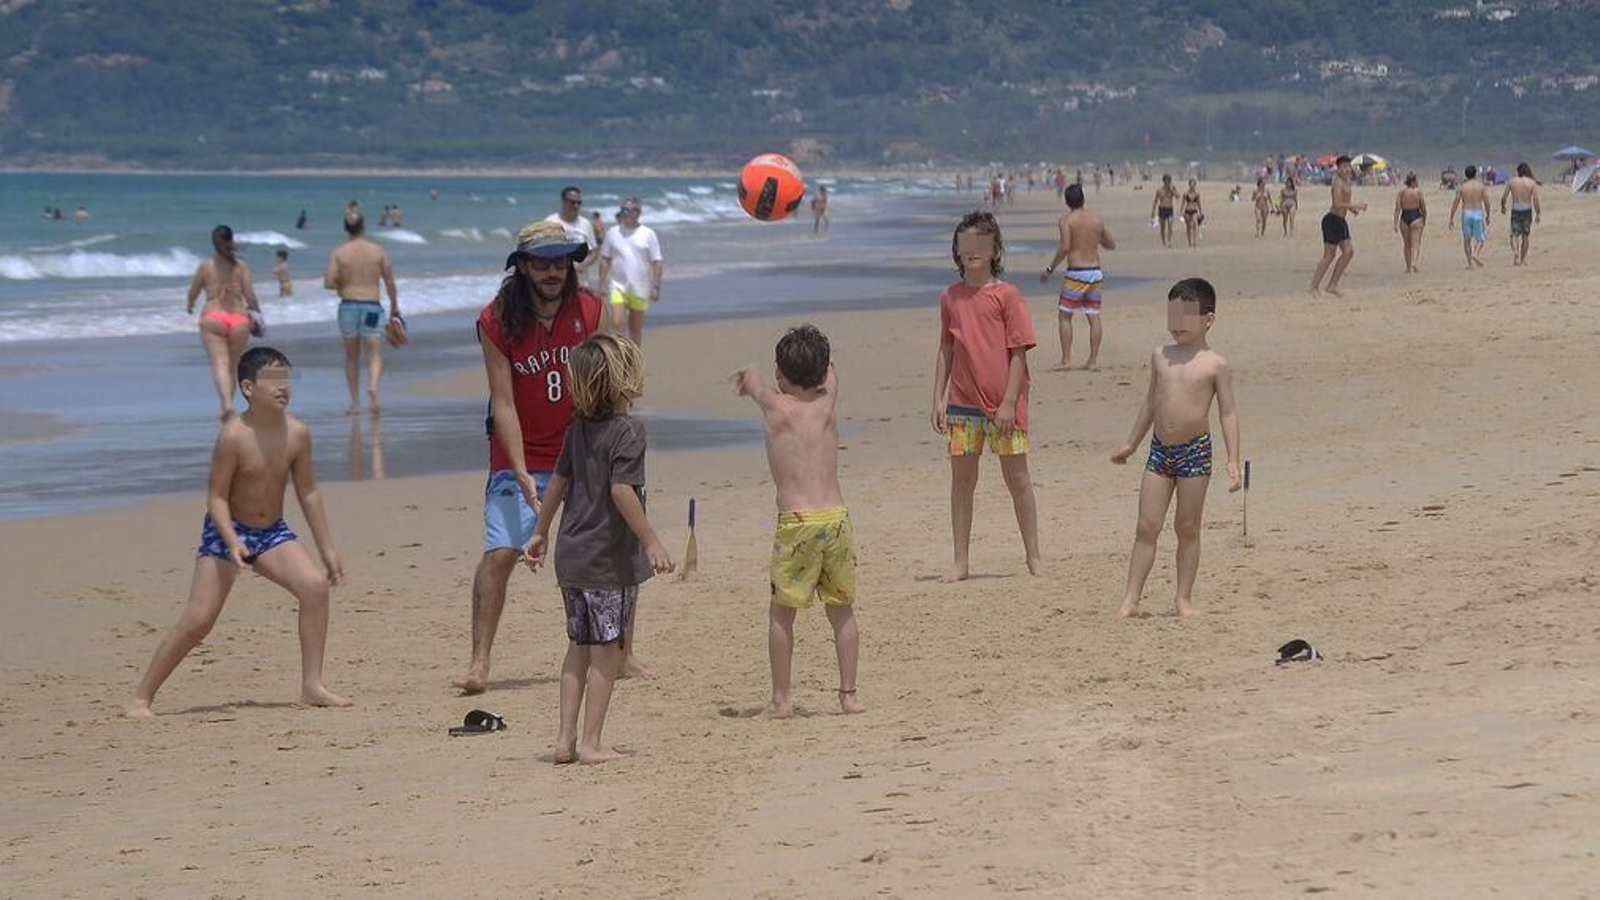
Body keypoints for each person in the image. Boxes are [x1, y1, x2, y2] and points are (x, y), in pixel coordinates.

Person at [125, 347, 350, 717]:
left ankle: (312, 685)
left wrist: (327, 549)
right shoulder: (233, 436)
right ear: (247, 387)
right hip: (226, 531)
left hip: (271, 533)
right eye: (273, 380)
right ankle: (141, 697)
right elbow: (216, 497)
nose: (283, 387)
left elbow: (308, 492)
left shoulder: (297, 433)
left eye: (286, 379)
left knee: (314, 587)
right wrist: (232, 542)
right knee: (199, 619)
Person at [453, 222, 604, 695]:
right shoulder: (496, 320)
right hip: (518, 452)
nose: (552, 272)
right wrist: (518, 469)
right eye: (541, 263)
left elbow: (604, 384)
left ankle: (621, 652)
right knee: (501, 553)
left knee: (605, 552)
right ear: (521, 266)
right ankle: (479, 661)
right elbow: (503, 401)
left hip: (580, 450)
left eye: (559, 262)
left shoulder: (591, 309)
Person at [525, 333, 674, 764]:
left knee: (578, 647)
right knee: (607, 653)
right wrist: (651, 540)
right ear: (625, 384)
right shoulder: (628, 432)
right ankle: (591, 742)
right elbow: (622, 491)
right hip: (607, 561)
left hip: (571, 557)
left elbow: (557, 483)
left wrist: (539, 531)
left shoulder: (576, 430)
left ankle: (564, 739)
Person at [732, 325, 862, 718]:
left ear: (780, 372)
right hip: (836, 518)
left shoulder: (776, 407)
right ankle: (849, 694)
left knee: (781, 612)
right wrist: (822, 366)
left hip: (797, 522)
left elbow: (754, 384)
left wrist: (749, 374)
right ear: (823, 372)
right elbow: (833, 373)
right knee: (841, 609)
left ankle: (781, 699)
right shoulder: (827, 402)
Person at [1111, 279, 1241, 619]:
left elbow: (1228, 412)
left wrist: (1232, 459)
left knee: (1187, 526)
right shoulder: (1161, 356)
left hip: (1195, 452)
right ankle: (1131, 599)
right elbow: (1150, 403)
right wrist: (1131, 443)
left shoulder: (1215, 364)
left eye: (1185, 315)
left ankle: (1183, 598)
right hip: (1159, 451)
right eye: (1172, 315)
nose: (1177, 323)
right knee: (1146, 526)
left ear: (1208, 320)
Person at [931, 212, 1042, 582]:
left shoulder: (1007, 295)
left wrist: (1009, 402)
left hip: (1004, 405)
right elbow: (946, 349)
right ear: (957, 251)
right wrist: (938, 398)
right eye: (965, 244)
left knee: (1017, 478)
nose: (973, 251)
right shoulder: (950, 297)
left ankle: (1033, 556)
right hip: (962, 403)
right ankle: (961, 562)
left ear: (995, 250)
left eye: (981, 243)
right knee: (962, 483)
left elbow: (1018, 352)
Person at [324, 214, 402, 415]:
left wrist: (342, 285)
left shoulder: (339, 252)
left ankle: (355, 403)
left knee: (351, 357)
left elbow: (328, 282)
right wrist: (394, 306)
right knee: (374, 354)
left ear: (345, 229)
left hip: (348, 306)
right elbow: (389, 281)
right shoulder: (378, 251)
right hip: (372, 307)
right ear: (363, 227)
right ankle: (373, 388)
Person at [186, 225, 261, 420]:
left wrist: (190, 304)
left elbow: (194, 290)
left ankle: (227, 405)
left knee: (220, 363)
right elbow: (250, 295)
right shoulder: (241, 266)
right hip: (239, 319)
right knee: (233, 365)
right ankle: (227, 406)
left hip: (213, 317)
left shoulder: (206, 266)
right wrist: (258, 315)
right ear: (231, 240)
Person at [1040, 183, 1116, 371]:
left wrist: (1050, 268)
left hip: (1076, 272)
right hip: (1095, 271)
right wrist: (1095, 238)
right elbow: (1111, 244)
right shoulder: (1096, 220)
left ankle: (1066, 360)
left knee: (1065, 315)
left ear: (1067, 202)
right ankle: (1093, 360)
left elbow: (1065, 247)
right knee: (1094, 316)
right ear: (1083, 198)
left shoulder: (1066, 221)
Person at [596, 198, 664, 346]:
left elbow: (657, 262)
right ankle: (620, 353)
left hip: (640, 287)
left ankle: (634, 357)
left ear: (638, 212)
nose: (625, 213)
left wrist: (656, 286)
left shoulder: (648, 234)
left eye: (629, 210)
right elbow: (605, 259)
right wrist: (601, 284)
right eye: (623, 210)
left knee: (635, 330)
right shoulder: (613, 233)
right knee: (616, 322)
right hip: (617, 285)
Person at [1309, 155, 1367, 296]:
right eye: (1344, 167)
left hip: (1341, 221)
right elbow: (1336, 203)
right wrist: (1355, 205)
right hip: (1332, 220)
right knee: (1329, 255)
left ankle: (1332, 285)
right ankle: (1313, 287)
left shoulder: (1347, 182)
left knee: (1348, 252)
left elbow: (1344, 202)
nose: (1347, 169)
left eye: (1348, 167)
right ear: (1338, 169)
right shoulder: (1338, 183)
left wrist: (1352, 210)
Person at [545, 185, 598, 283]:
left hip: (581, 280)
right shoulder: (550, 222)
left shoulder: (585, 224)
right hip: (556, 279)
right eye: (572, 202)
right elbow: (543, 251)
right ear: (563, 201)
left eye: (579, 203)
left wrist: (584, 264)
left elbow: (594, 252)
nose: (576, 206)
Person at [1447, 164, 1491, 269]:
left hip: (1466, 213)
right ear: (1475, 174)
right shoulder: (1481, 186)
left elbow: (1456, 203)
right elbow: (1486, 202)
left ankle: (1470, 264)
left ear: (1466, 175)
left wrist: (1451, 217)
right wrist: (1488, 215)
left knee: (1467, 240)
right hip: (1478, 212)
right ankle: (1475, 254)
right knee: (1480, 239)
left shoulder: (1462, 187)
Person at [1500, 162, 1541, 266]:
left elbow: (1504, 197)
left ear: (1518, 171)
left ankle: (1515, 251)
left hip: (1516, 210)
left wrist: (1503, 207)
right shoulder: (1531, 183)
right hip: (1527, 210)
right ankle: (1523, 259)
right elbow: (1535, 200)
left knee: (1514, 234)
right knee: (1525, 236)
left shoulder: (1512, 182)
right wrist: (1538, 213)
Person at [1393, 173, 1428, 274]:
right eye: (1416, 181)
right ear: (1413, 182)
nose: (1417, 183)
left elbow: (1397, 209)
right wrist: (1424, 219)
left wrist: (1395, 223)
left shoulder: (1401, 193)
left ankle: (1408, 267)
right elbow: (1423, 208)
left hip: (1404, 217)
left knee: (1407, 244)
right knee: (1416, 243)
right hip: (1416, 216)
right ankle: (1414, 262)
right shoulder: (1418, 192)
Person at [1151, 175, 1178, 248]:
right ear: (1164, 181)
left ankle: (1169, 241)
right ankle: (1163, 242)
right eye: (1166, 180)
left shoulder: (1172, 189)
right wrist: (1153, 210)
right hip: (1162, 209)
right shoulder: (1159, 190)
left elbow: (1177, 196)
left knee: (1170, 225)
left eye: (1169, 180)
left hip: (1169, 209)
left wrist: (1173, 190)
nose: (1168, 182)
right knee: (1162, 227)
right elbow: (1156, 200)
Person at [1181, 179, 1203, 248]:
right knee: (1188, 226)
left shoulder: (1197, 194)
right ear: (1189, 185)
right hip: (1187, 211)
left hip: (1194, 210)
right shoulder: (1185, 194)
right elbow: (1183, 203)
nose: (1192, 186)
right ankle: (1189, 242)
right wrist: (1181, 212)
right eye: (1191, 184)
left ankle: (1194, 242)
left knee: (1194, 224)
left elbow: (1199, 203)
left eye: (1193, 184)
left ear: (1195, 185)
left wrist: (1200, 211)